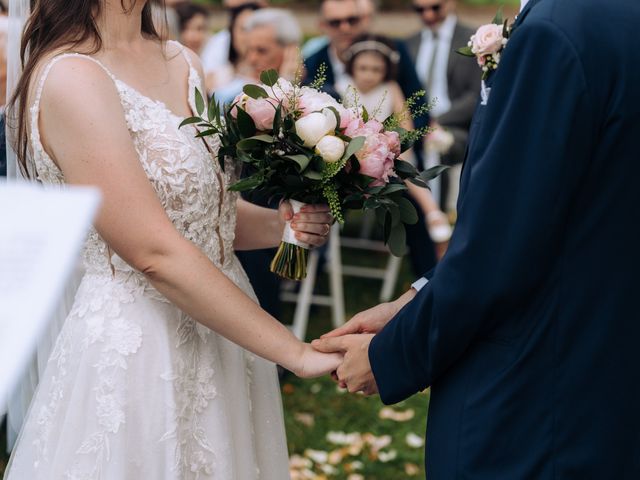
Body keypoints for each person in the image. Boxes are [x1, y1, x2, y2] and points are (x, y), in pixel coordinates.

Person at [3, 1, 341, 478]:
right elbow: (153, 251)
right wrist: (295, 352)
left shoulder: (181, 59)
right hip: (144, 349)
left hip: (225, 326)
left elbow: (203, 212)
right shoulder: (71, 77)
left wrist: (283, 226)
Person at [313, 0, 640, 478]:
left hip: (533, 395)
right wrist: (412, 299)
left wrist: (392, 353)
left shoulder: (557, 30)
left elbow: (502, 243)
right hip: (606, 372)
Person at [337, 34, 451, 258]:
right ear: (352, 66)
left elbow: (405, 125)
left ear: (386, 70)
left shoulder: (391, 88)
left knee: (405, 165)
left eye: (376, 69)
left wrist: (389, 143)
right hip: (350, 152)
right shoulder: (343, 88)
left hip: (383, 150)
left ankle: (432, 211)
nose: (369, 75)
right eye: (363, 68)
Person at [405, 0, 480, 212]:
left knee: (436, 144)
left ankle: (437, 219)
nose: (428, 15)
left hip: (454, 126)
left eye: (435, 7)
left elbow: (475, 95)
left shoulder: (473, 39)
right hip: (412, 125)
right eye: (420, 9)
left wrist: (436, 121)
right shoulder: (409, 43)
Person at [214, 8, 302, 104]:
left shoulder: (311, 92)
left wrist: (288, 82)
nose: (252, 59)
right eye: (249, 50)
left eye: (262, 51)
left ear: (290, 49)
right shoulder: (237, 86)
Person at [201, 0, 267, 93]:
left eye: (254, 29)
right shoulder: (219, 42)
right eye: (243, 29)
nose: (249, 36)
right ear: (232, 31)